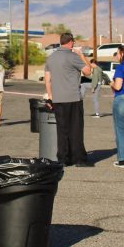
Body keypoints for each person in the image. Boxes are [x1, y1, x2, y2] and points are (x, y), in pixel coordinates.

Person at [44, 32, 94, 167]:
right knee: (76, 129)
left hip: (58, 99)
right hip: (73, 98)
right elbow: (88, 72)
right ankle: (79, 159)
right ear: (71, 42)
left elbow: (47, 80)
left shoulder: (51, 57)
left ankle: (63, 159)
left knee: (62, 130)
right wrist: (82, 56)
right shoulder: (73, 56)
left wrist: (50, 97)